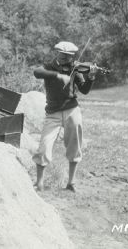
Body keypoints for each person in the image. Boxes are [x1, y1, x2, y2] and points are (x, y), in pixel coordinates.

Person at [32, 41, 99, 192]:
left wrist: (91, 78)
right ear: (57, 52)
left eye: (69, 56)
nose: (65, 58)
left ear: (72, 56)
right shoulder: (49, 66)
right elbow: (37, 72)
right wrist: (58, 76)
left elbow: (84, 90)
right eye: (62, 54)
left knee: (74, 146)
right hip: (53, 112)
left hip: (72, 110)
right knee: (44, 146)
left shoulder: (75, 69)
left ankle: (71, 183)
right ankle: (39, 183)